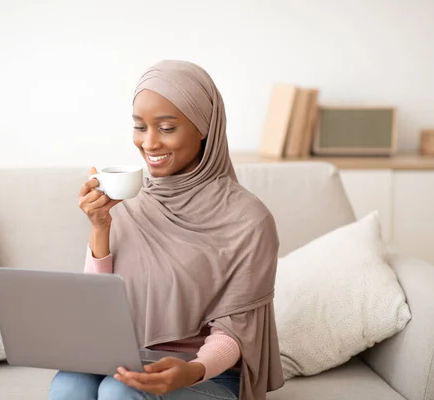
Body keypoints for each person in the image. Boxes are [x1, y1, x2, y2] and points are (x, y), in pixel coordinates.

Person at [49, 60, 284, 400]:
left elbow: (236, 331)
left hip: (209, 375)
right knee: (69, 384)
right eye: (140, 127)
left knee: (119, 392)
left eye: (167, 128)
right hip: (130, 360)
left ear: (204, 128)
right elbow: (99, 312)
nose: (149, 143)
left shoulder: (249, 220)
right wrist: (100, 229)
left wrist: (191, 370)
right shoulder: (127, 202)